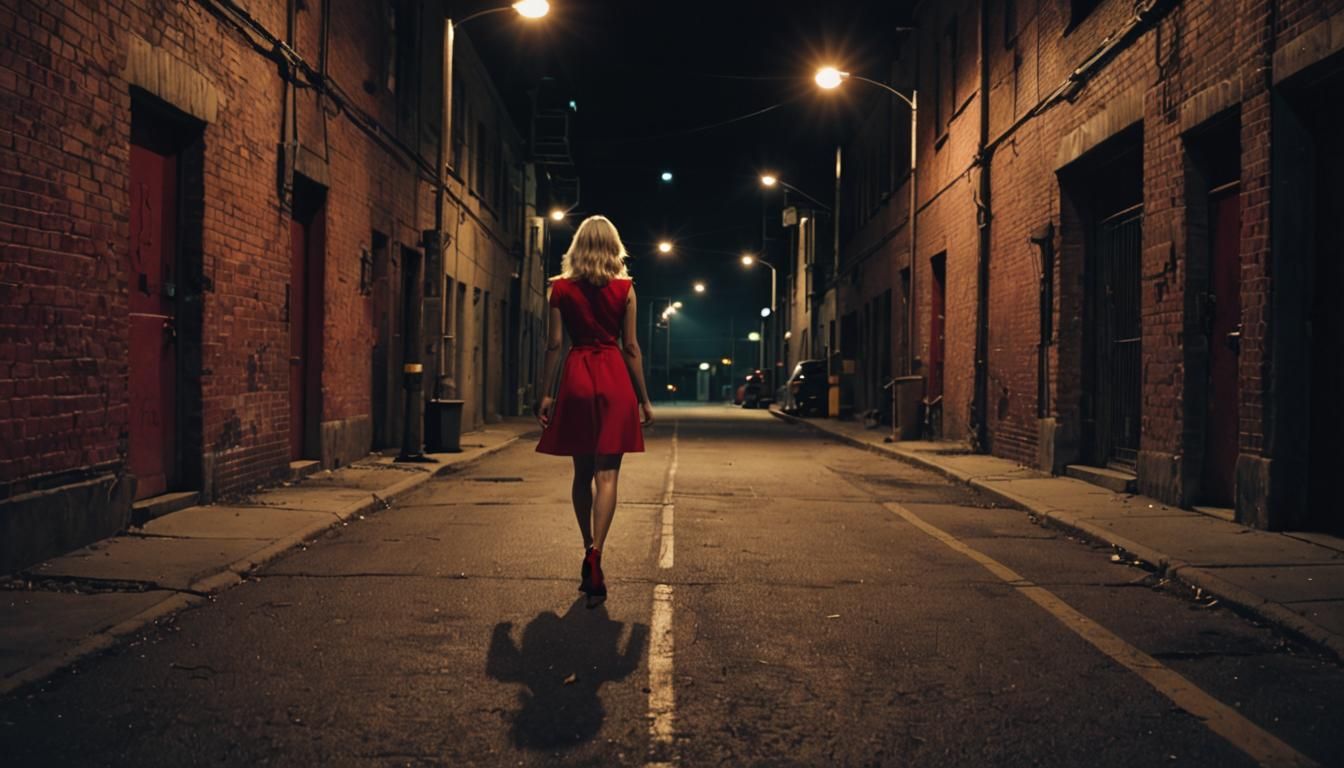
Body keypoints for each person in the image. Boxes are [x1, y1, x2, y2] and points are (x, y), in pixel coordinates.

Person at [535, 215, 654, 607]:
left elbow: (555, 344)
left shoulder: (559, 288)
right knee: (608, 475)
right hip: (614, 380)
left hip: (577, 378)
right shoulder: (626, 289)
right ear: (613, 247)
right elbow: (631, 347)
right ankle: (597, 553)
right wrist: (643, 398)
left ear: (578, 247)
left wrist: (547, 393)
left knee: (581, 473)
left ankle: (586, 544)